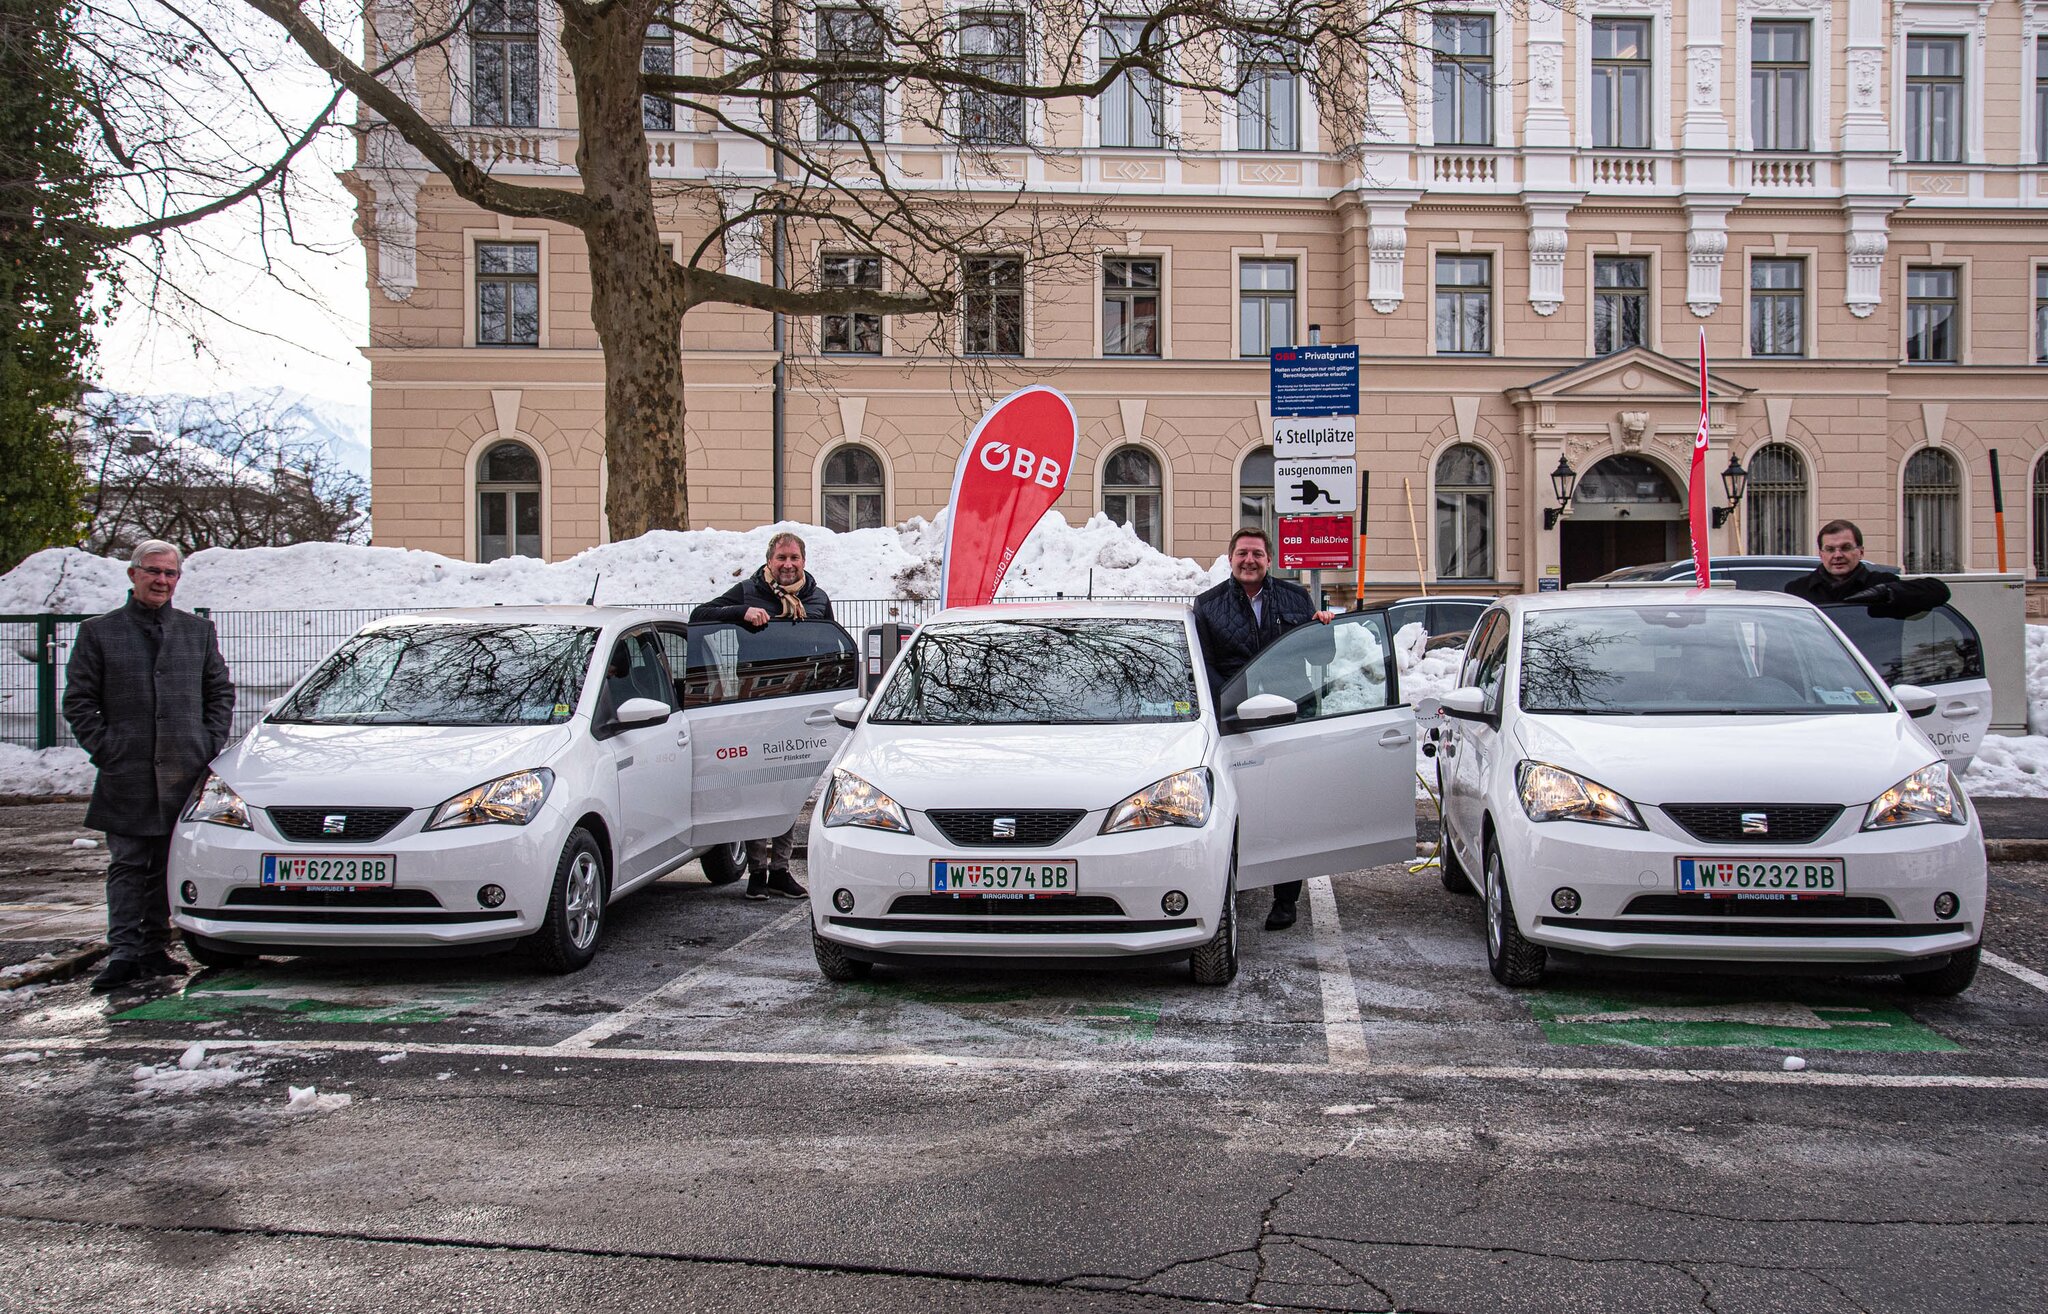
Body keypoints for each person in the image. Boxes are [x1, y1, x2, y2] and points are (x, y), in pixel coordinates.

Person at [63, 541, 235, 992]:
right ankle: (123, 952)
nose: (161, 581)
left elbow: (219, 691)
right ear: (133, 575)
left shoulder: (196, 631)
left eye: (170, 574)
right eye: (153, 572)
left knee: (165, 861)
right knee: (127, 863)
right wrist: (107, 748)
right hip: (128, 769)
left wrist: (207, 742)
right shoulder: (99, 632)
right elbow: (79, 701)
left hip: (184, 766)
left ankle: (156, 948)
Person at [1191, 528, 1333, 932]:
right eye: (1241, 553)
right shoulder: (1208, 606)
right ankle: (1234, 882)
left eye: (1256, 553)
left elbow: (1323, 656)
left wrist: (1321, 627)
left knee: (1289, 805)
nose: (1248, 560)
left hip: (1290, 715)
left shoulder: (1296, 598)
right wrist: (1232, 704)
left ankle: (1285, 899)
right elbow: (1205, 667)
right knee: (1240, 804)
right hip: (1236, 722)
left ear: (1269, 559)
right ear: (1230, 558)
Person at [694, 531, 834, 901]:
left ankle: (780, 870)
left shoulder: (817, 599)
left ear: (804, 561)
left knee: (791, 785)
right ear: (769, 561)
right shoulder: (748, 591)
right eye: (780, 559)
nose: (787, 565)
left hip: (801, 704)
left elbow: (832, 645)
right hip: (756, 703)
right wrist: (741, 612)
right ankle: (757, 872)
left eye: (794, 558)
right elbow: (699, 616)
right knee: (758, 786)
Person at [1784, 520, 1951, 617]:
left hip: (1875, 671)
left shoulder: (1881, 582)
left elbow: (1939, 591)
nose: (1837, 555)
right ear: (1821, 554)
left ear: (1861, 552)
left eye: (1846, 547)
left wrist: (1886, 593)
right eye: (1830, 549)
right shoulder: (1798, 590)